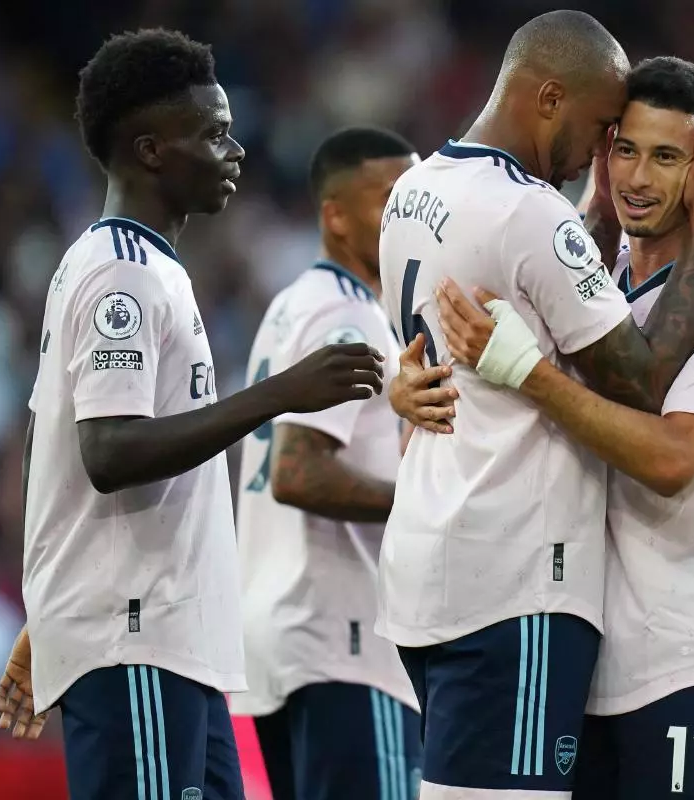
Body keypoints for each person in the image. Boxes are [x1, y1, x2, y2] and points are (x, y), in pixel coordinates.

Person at [0, 29, 384, 800]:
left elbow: (53, 444)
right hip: (135, 638)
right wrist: (278, 394)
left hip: (165, 638)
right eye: (211, 133)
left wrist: (50, 607)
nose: (234, 149)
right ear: (150, 151)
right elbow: (105, 454)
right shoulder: (121, 275)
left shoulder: (139, 269)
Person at [376, 10, 694, 799]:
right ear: (549, 98)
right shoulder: (528, 211)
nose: (604, 156)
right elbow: (641, 382)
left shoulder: (412, 189)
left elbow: (418, 365)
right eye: (605, 127)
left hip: (425, 565)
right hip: (515, 583)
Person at [232, 127, 424, 800]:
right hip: (339, 636)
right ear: (335, 214)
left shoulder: (294, 304)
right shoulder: (347, 316)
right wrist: (426, 503)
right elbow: (298, 471)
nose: (405, 219)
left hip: (289, 633)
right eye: (390, 200)